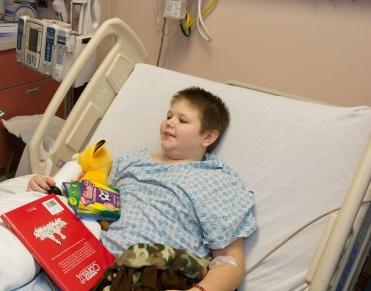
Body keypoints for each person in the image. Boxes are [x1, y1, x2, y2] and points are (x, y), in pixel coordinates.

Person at [28, 86, 257, 291]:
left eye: (183, 120)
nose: (169, 122)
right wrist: (51, 188)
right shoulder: (134, 162)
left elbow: (230, 260)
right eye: (169, 116)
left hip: (157, 273)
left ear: (208, 137)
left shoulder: (215, 182)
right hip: (90, 265)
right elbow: (94, 193)